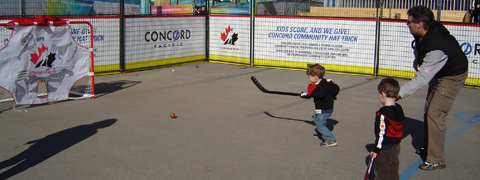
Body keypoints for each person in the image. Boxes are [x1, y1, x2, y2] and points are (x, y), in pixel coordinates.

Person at [399, 6, 468, 170]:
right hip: (439, 72)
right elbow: (419, 45)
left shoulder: (437, 46)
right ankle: (430, 146)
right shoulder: (426, 30)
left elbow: (421, 78)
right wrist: (418, 58)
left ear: (420, 24)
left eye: (409, 22)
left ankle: (436, 158)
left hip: (452, 76)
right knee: (428, 108)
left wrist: (398, 94)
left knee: (435, 113)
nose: (407, 25)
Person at [370, 78, 405, 180]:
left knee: (381, 172)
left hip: (385, 148)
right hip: (396, 145)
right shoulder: (398, 108)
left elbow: (381, 134)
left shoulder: (383, 113)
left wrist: (376, 149)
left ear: (383, 94)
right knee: (392, 169)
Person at [300, 64, 340, 147]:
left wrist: (305, 95)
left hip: (323, 109)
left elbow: (315, 94)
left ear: (315, 77)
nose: (309, 78)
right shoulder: (326, 83)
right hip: (327, 108)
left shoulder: (319, 88)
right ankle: (321, 133)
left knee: (320, 124)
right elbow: (335, 89)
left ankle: (330, 140)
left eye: (309, 76)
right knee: (316, 119)